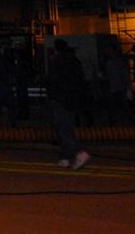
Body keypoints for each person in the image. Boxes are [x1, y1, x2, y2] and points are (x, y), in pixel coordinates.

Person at [47, 39, 90, 170]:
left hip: (60, 99)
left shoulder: (57, 62)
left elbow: (53, 82)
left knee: (62, 128)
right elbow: (81, 81)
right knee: (68, 127)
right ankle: (64, 157)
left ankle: (78, 152)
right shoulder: (74, 61)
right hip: (73, 99)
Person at [102, 48, 135, 124]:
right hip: (119, 87)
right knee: (123, 106)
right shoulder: (120, 62)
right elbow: (125, 75)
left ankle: (113, 120)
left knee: (115, 106)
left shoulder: (112, 63)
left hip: (116, 87)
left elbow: (111, 75)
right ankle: (129, 119)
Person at [0, 48, 18, 127]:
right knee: (9, 105)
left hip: (1, 86)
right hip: (6, 85)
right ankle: (12, 121)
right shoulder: (8, 63)